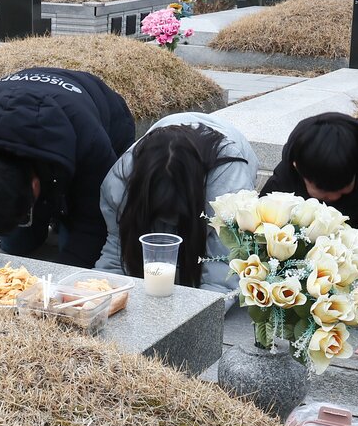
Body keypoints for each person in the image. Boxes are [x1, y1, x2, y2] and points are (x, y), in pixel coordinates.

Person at [0, 67, 135, 266]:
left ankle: (57, 219)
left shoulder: (89, 141)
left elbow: (94, 222)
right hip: (44, 132)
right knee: (15, 243)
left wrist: (61, 280)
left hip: (104, 112)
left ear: (34, 185)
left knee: (71, 244)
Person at [95, 113, 257, 299]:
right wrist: (101, 295)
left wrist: (193, 314)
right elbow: (117, 252)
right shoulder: (121, 182)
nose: (169, 222)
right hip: (146, 196)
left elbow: (224, 268)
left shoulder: (231, 190)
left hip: (224, 173)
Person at [261, 112, 358, 228]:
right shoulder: (282, 183)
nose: (334, 197)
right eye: (323, 191)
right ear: (298, 168)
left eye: (343, 188)